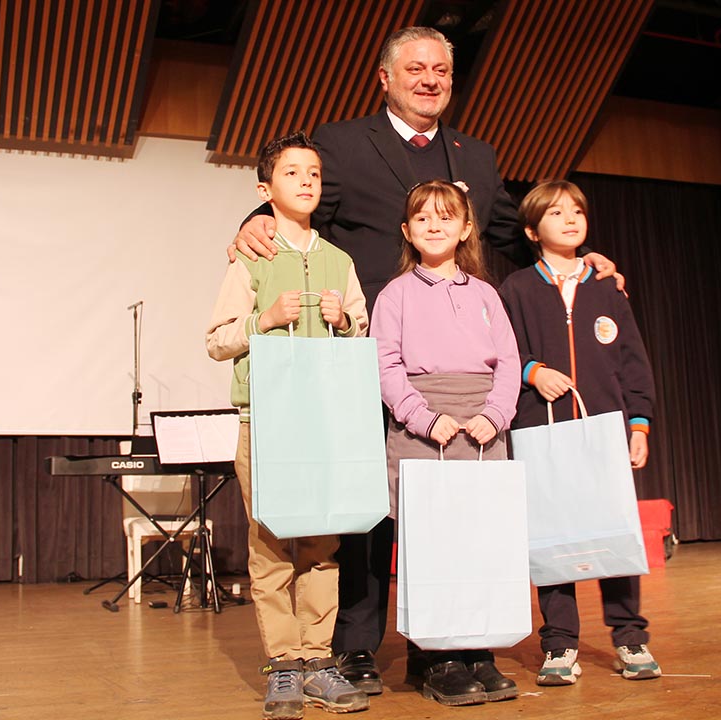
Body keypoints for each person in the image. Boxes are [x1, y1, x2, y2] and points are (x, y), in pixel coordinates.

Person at [228, 26, 620, 693]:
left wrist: (573, 258)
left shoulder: (480, 156)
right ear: (384, 77)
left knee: (454, 519)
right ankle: (354, 646)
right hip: (366, 357)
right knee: (367, 509)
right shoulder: (344, 143)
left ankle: (445, 642)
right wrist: (253, 219)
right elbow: (297, 196)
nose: (429, 78)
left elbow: (510, 232)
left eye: (441, 68)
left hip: (460, 378)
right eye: (415, 68)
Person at [206, 132, 371, 719]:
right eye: (293, 172)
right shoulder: (250, 256)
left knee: (323, 544)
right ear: (265, 188)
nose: (306, 181)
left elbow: (361, 330)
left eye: (314, 173)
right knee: (272, 542)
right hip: (268, 421)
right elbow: (216, 340)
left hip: (323, 422)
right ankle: (283, 666)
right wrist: (264, 320)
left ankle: (318, 659)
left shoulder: (339, 260)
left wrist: (345, 318)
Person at [497, 180, 660, 687]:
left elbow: (632, 360)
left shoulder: (607, 285)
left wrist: (639, 422)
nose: (569, 219)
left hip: (605, 428)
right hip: (541, 429)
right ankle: (560, 644)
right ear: (531, 230)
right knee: (553, 537)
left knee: (615, 530)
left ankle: (630, 635)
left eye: (576, 211)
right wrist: (533, 371)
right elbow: (503, 354)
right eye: (555, 212)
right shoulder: (517, 289)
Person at [372, 180, 521, 706]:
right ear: (407, 231)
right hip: (423, 429)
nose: (434, 225)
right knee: (430, 547)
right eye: (422, 217)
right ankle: (438, 657)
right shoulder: (395, 295)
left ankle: (479, 650)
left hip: (482, 428)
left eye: (445, 216)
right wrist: (420, 416)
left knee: (479, 545)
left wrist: (497, 414)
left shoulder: (486, 294)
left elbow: (508, 361)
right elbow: (386, 366)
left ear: (465, 229)